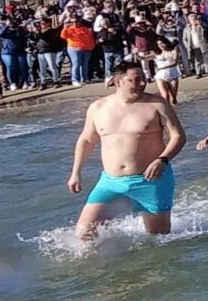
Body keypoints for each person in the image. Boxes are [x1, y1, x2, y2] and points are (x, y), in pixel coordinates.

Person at [67, 60, 188, 240]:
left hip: (151, 180)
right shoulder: (98, 107)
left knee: (158, 240)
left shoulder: (157, 104)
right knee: (84, 234)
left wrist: (162, 160)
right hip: (111, 182)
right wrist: (75, 172)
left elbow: (178, 136)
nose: (142, 83)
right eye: (135, 80)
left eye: (143, 79)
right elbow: (86, 140)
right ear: (118, 81)